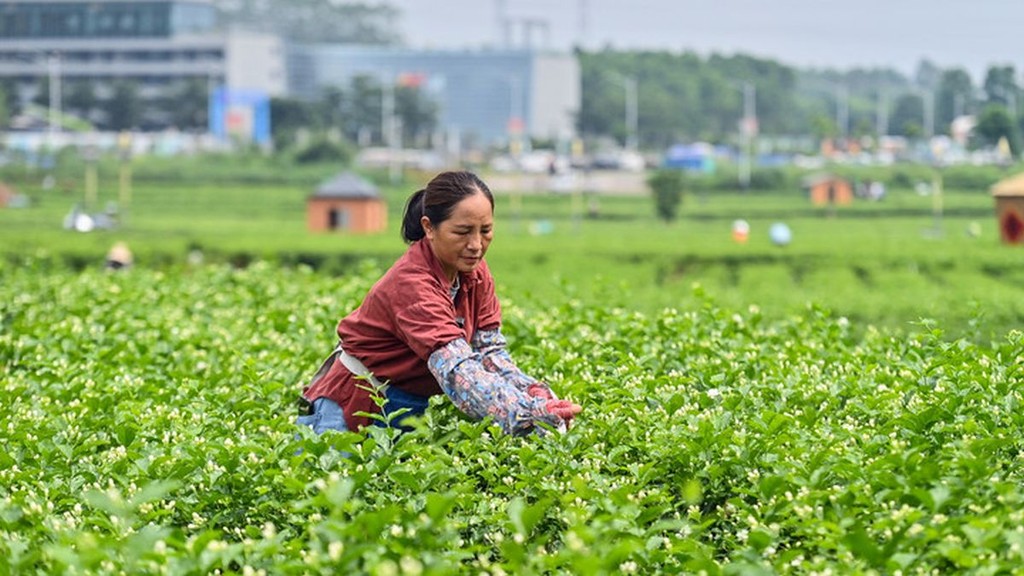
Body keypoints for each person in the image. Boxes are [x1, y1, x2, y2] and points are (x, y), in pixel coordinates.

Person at [298, 170, 582, 437]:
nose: (476, 245)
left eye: (485, 230)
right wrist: (526, 413)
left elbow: (489, 350)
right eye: (463, 231)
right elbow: (457, 369)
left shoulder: (474, 273)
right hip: (352, 405)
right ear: (429, 228)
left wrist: (531, 391)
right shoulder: (412, 284)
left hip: (405, 404)